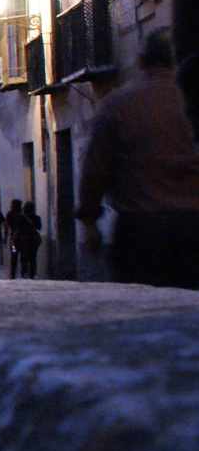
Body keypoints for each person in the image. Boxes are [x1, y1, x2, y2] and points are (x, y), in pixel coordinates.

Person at [77, 30, 199, 288]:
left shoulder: (118, 104)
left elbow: (95, 169)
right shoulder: (193, 100)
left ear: (140, 61)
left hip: (140, 232)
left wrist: (89, 221)